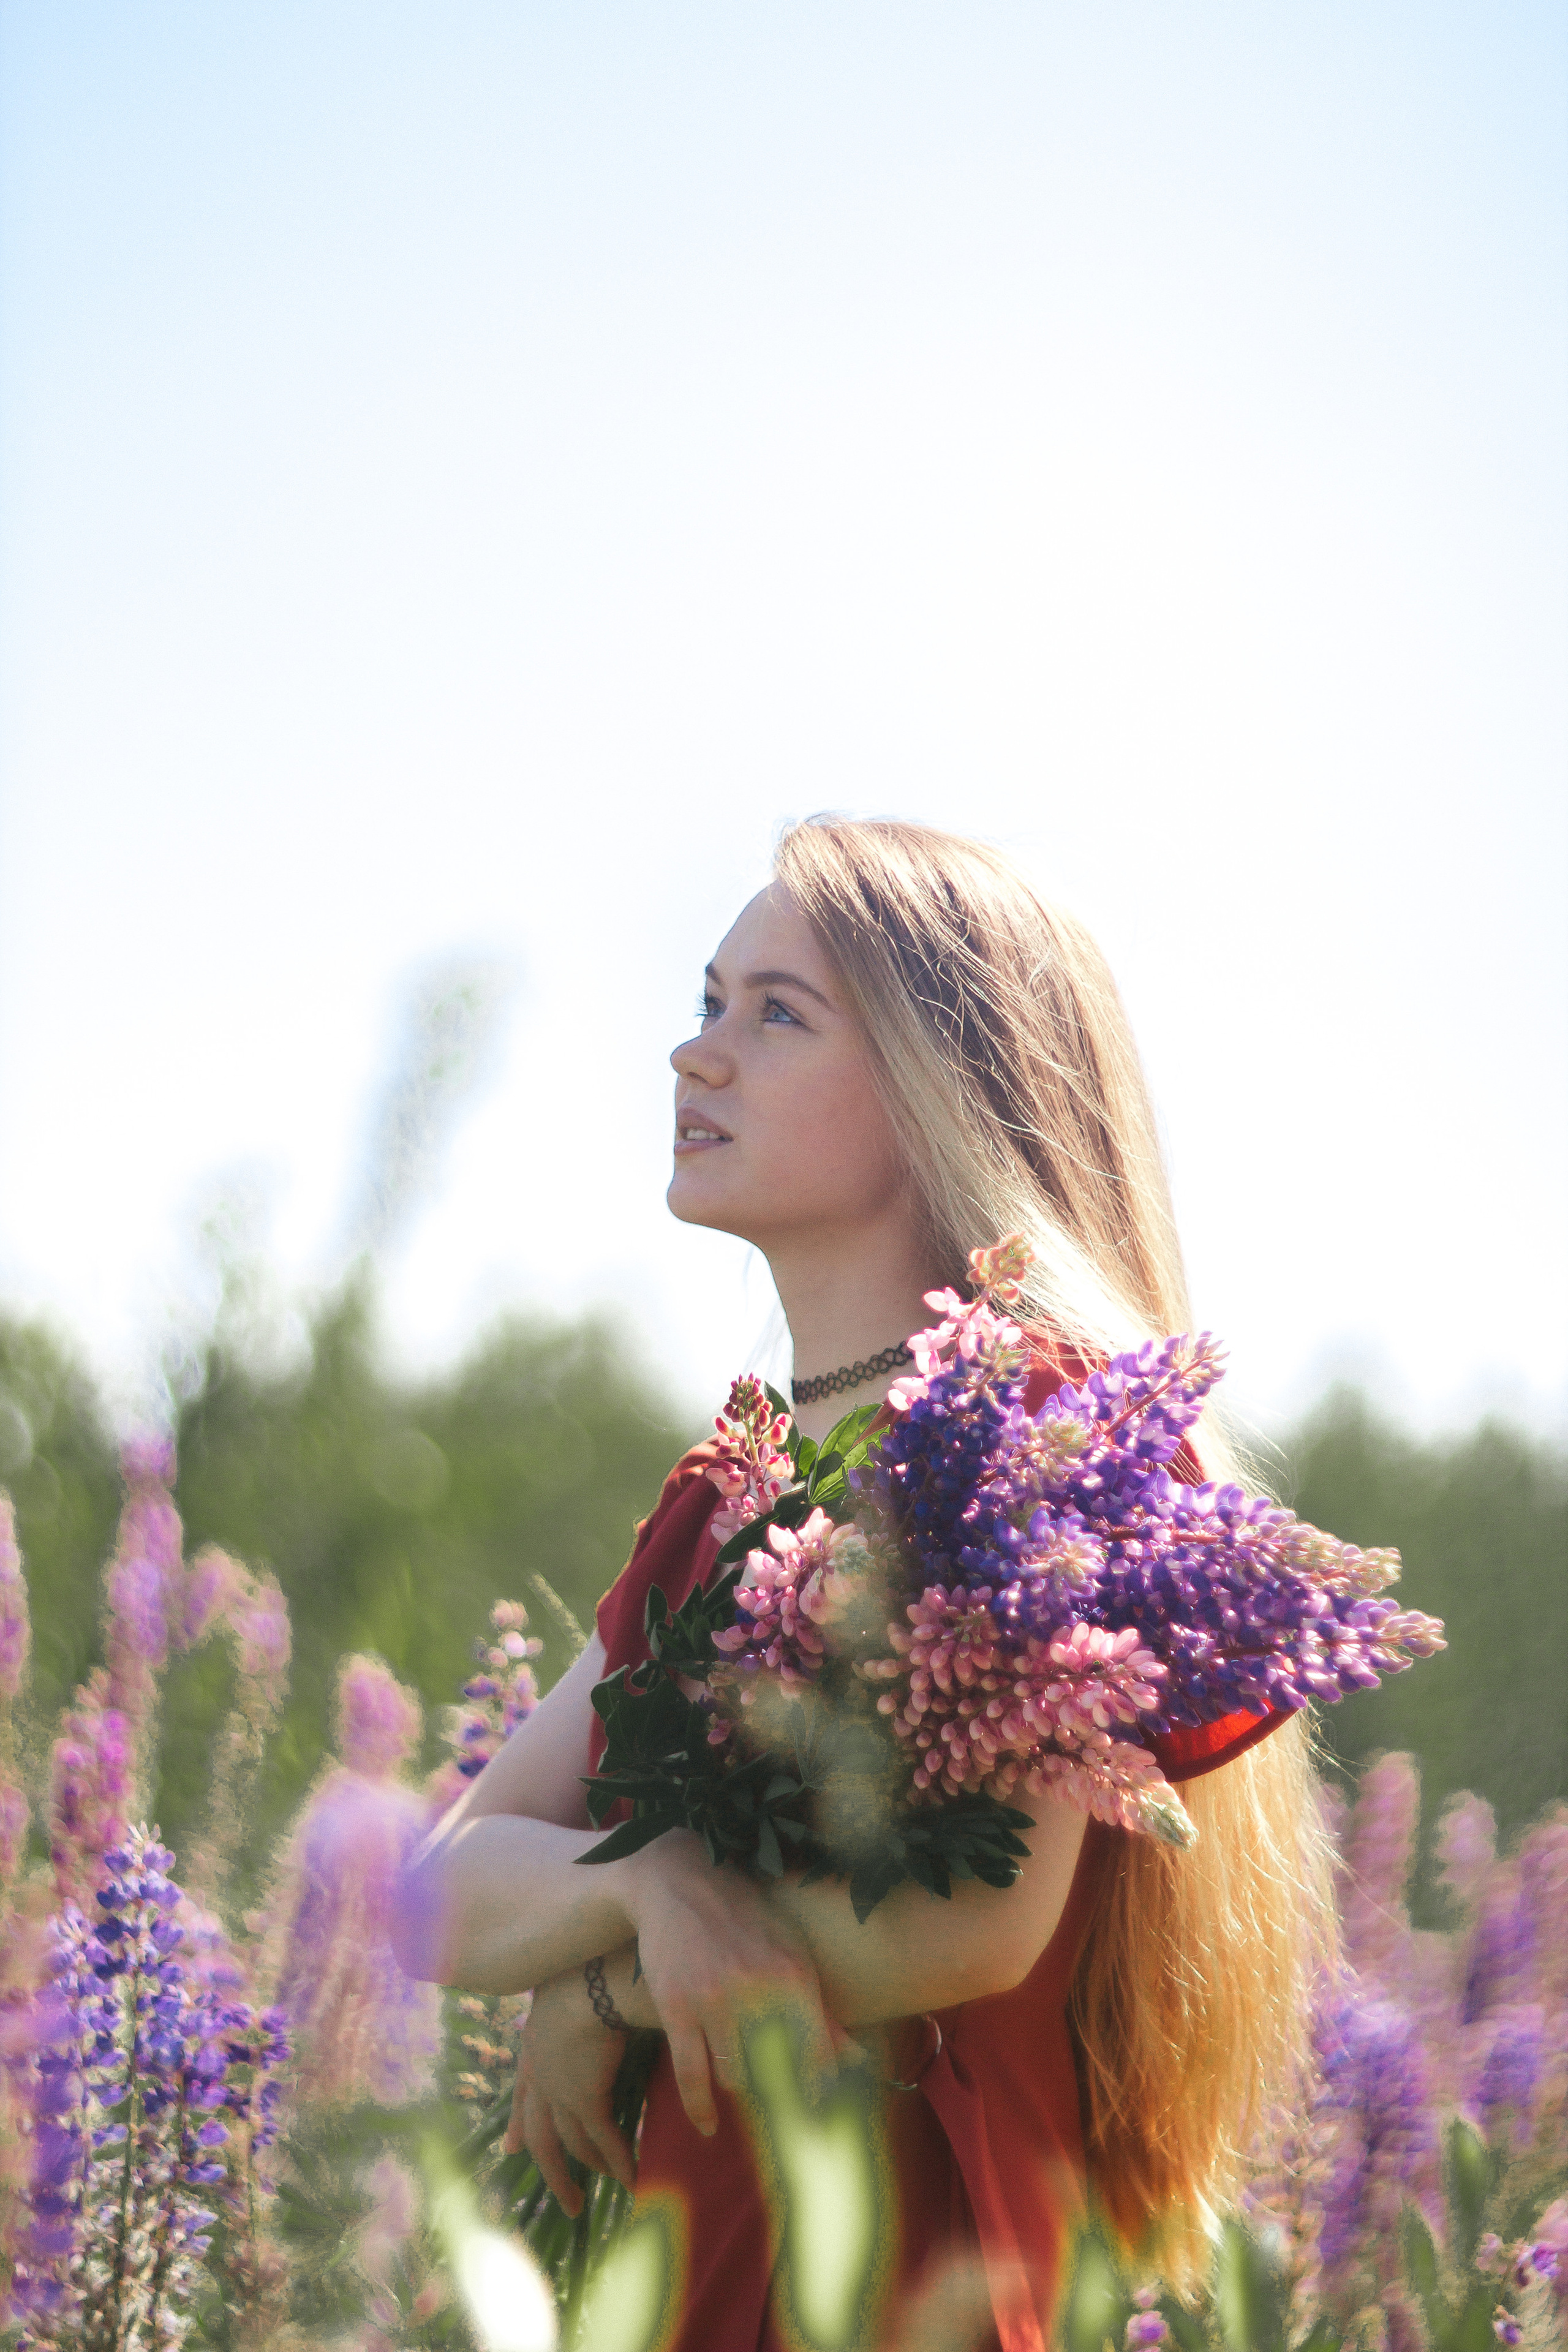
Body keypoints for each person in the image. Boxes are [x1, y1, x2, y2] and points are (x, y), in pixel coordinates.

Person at [402, 818, 1335, 2352]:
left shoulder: (1046, 1442)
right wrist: (642, 1883)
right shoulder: (734, 1492)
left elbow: (970, 1926)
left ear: (935, 1092)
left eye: (776, 1014)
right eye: (709, 1003)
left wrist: (598, 1995)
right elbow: (438, 1890)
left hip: (911, 2282)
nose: (696, 1057)